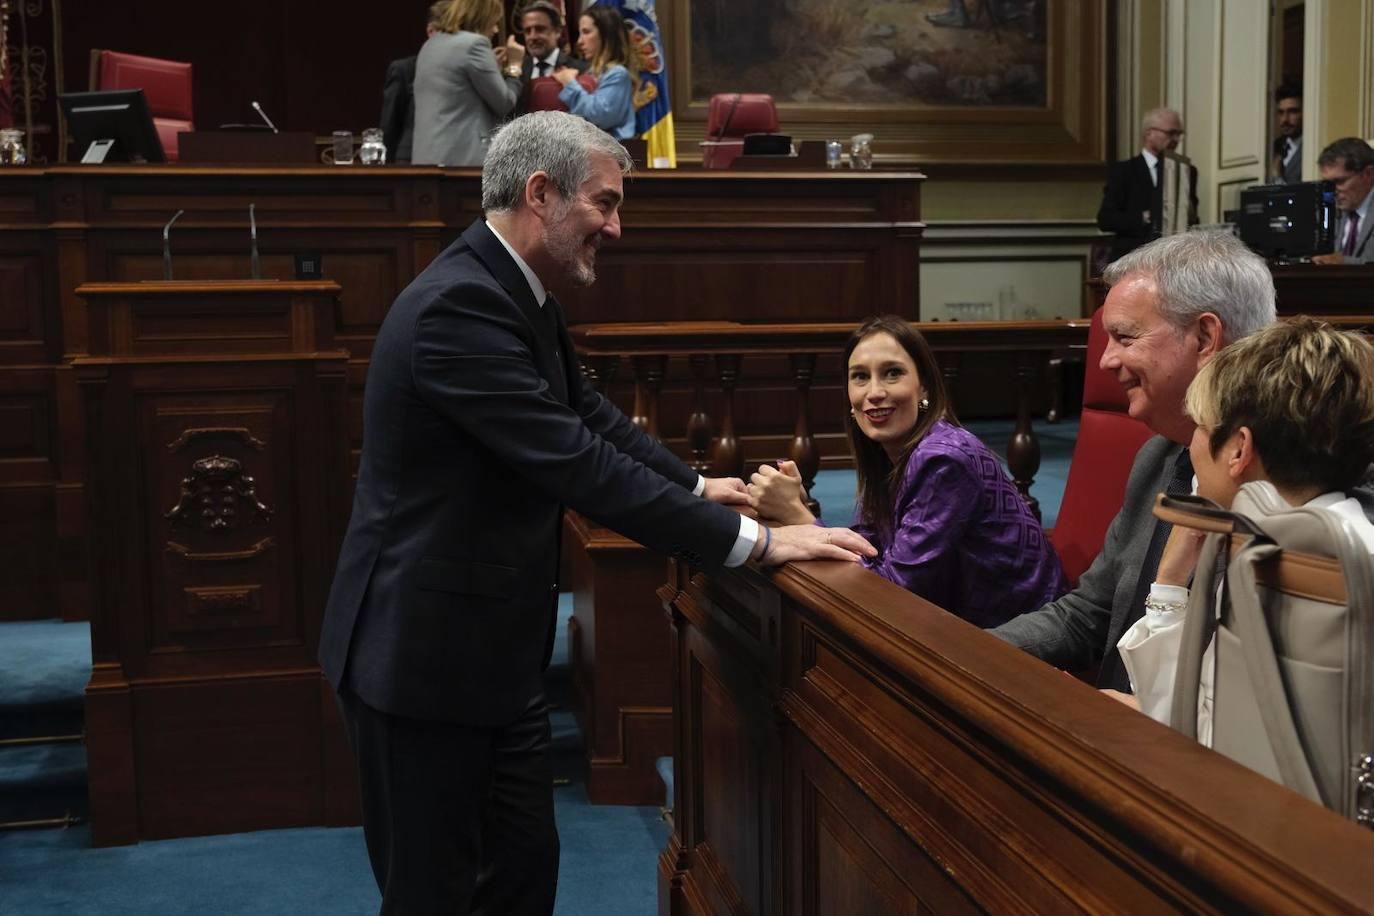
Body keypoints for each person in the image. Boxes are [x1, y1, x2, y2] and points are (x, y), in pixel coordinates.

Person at [317, 110, 874, 914]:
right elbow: (578, 465)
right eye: (605, 204)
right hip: (419, 666)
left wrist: (693, 486)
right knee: (438, 895)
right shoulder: (458, 309)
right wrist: (754, 542)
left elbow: (592, 418)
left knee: (520, 877)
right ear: (540, 194)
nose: (617, 227)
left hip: (488, 657)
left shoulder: (514, 289)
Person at [990, 230, 1281, 691]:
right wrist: (968, 652)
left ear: (1205, 336)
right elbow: (1091, 614)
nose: (1105, 361)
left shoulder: (1302, 483)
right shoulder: (1160, 455)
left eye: (1124, 337)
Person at [1111, 317, 1374, 743]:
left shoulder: (1278, 565)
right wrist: (1173, 580)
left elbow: (1208, 744)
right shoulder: (1301, 534)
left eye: (1199, 426)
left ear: (1239, 449)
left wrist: (1168, 587)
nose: (1192, 445)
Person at [747, 316, 1068, 627]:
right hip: (963, 625)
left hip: (1020, 643)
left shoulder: (943, 459)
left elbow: (891, 592)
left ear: (924, 387)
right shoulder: (892, 451)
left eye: (892, 374)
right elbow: (872, 550)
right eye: (860, 376)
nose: (873, 392)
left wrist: (796, 517)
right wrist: (801, 511)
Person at [411, 0, 525, 166]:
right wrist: (514, 68)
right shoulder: (475, 44)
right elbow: (504, 102)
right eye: (493, 22)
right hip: (463, 162)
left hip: (427, 160)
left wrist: (493, 67)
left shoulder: (430, 45)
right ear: (480, 18)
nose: (495, 29)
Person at [1096, 108, 1199, 264]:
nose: (1176, 139)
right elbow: (1106, 219)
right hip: (1132, 258)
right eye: (1171, 133)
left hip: (1174, 259)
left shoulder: (1187, 171)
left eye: (1179, 134)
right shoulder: (1124, 171)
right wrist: (1145, 217)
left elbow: (1193, 217)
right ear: (1149, 134)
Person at [378, 1, 448, 164]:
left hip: (456, 160)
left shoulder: (471, 71)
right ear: (431, 31)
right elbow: (389, 124)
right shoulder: (404, 69)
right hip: (410, 160)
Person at [552, 6, 636, 140]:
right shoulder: (590, 73)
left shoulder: (618, 74)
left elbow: (599, 117)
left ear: (606, 35)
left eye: (586, 32)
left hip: (612, 155)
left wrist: (569, 83)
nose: (579, 41)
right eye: (580, 33)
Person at [515, 0, 587, 114]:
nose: (532, 37)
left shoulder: (581, 70)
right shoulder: (517, 72)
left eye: (540, 29)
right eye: (527, 31)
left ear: (558, 31)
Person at [1312, 137, 1374, 265]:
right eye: (1327, 183)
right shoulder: (1328, 211)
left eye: (1339, 182)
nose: (1331, 191)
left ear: (1368, 174)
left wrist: (1342, 262)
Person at [1270, 83, 1303, 184]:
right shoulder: (1274, 147)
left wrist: (1278, 177)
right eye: (1281, 112)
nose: (1285, 119)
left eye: (1292, 112)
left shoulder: (1311, 148)